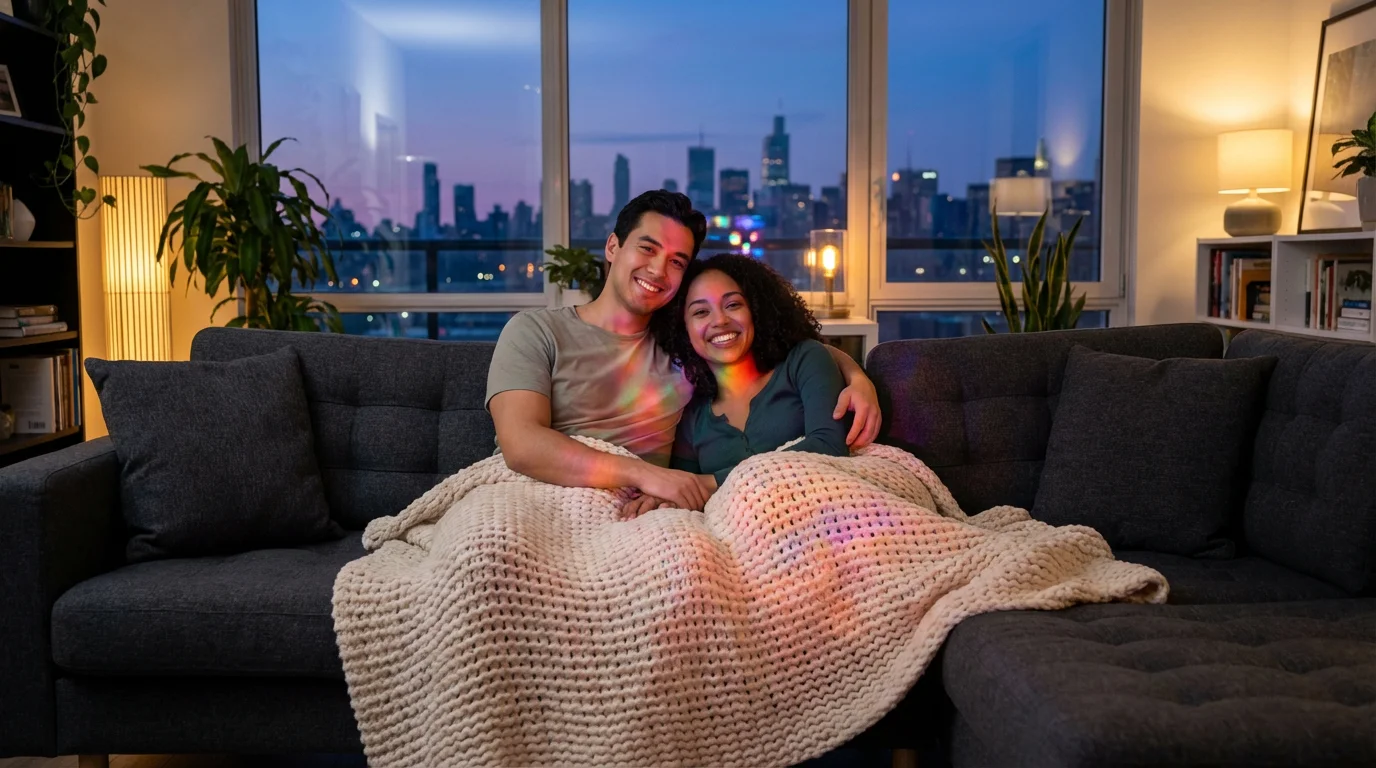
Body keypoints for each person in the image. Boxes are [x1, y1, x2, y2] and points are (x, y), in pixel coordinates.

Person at [486, 190, 881, 512]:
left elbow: (788, 352)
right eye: (647, 248)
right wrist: (646, 475)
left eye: (677, 261)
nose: (658, 270)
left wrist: (856, 375)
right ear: (612, 247)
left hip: (643, 515)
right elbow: (521, 444)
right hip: (541, 495)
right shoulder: (535, 331)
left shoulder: (685, 348)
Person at [656, 253, 852, 496]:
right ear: (682, 329)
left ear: (757, 309)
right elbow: (685, 490)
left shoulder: (804, 359)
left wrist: (711, 482)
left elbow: (829, 445)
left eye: (733, 305)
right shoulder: (692, 415)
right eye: (700, 312)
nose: (720, 320)